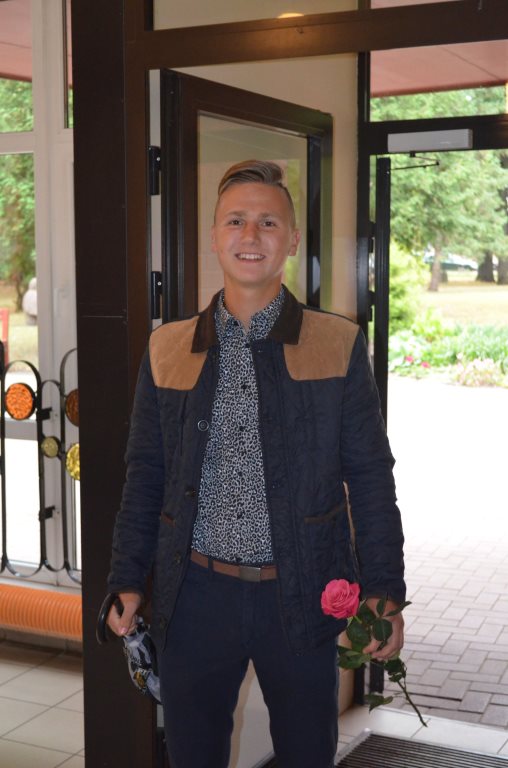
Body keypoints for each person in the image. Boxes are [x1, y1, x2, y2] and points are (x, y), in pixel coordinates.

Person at [106, 159, 405, 768]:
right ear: (214, 237)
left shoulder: (337, 343)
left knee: (305, 753)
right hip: (193, 596)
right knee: (192, 755)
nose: (251, 235)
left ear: (291, 240)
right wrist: (127, 578)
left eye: (268, 222)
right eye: (235, 220)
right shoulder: (168, 348)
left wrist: (384, 591)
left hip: (301, 593)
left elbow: (371, 477)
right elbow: (145, 476)